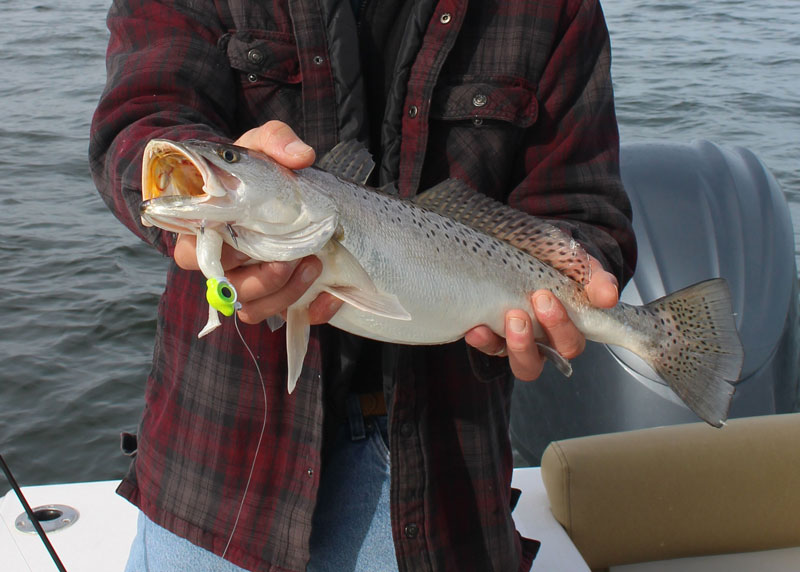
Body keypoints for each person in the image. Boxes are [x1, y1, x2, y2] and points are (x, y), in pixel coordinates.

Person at [89, 0, 636, 570]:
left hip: (441, 476)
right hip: (217, 469)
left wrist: (579, 273)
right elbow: (140, 121)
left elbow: (580, 208)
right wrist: (187, 201)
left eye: (229, 161)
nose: (221, 168)